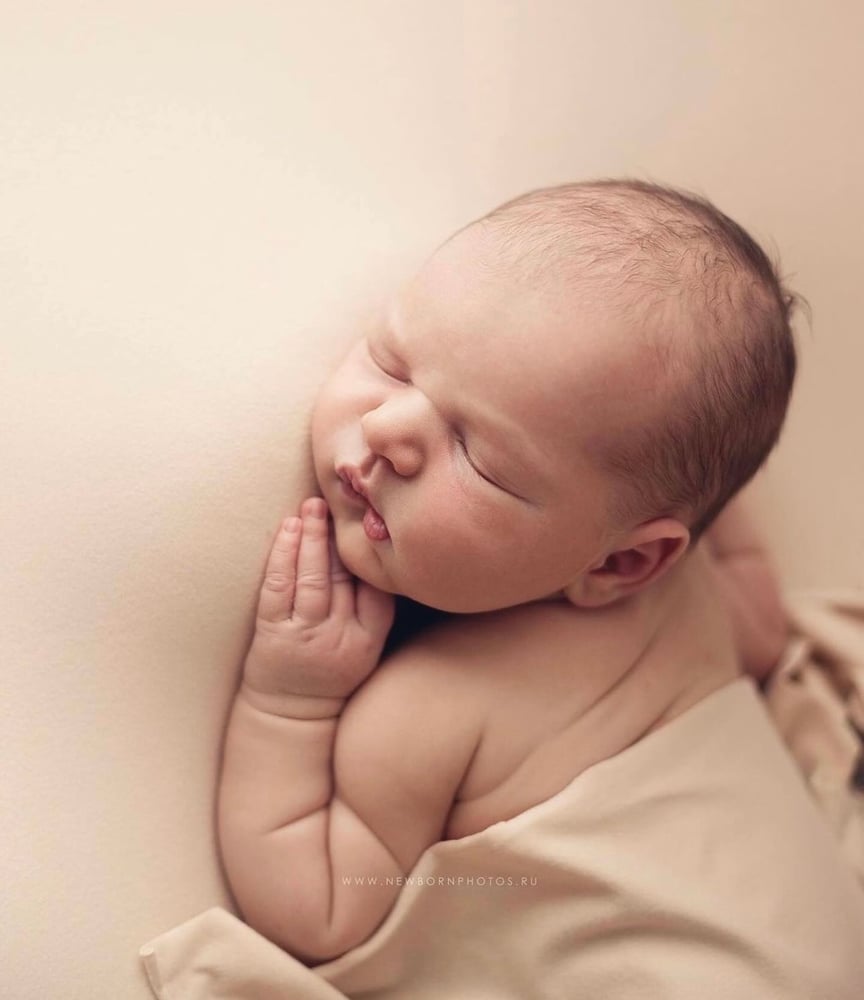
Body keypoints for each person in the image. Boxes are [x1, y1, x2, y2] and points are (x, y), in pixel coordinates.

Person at [217, 180, 808, 967]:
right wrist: (700, 482)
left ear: (626, 561)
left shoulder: (433, 705)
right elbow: (766, 631)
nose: (387, 429)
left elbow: (318, 910)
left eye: (479, 457)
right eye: (393, 363)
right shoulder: (701, 599)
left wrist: (288, 700)